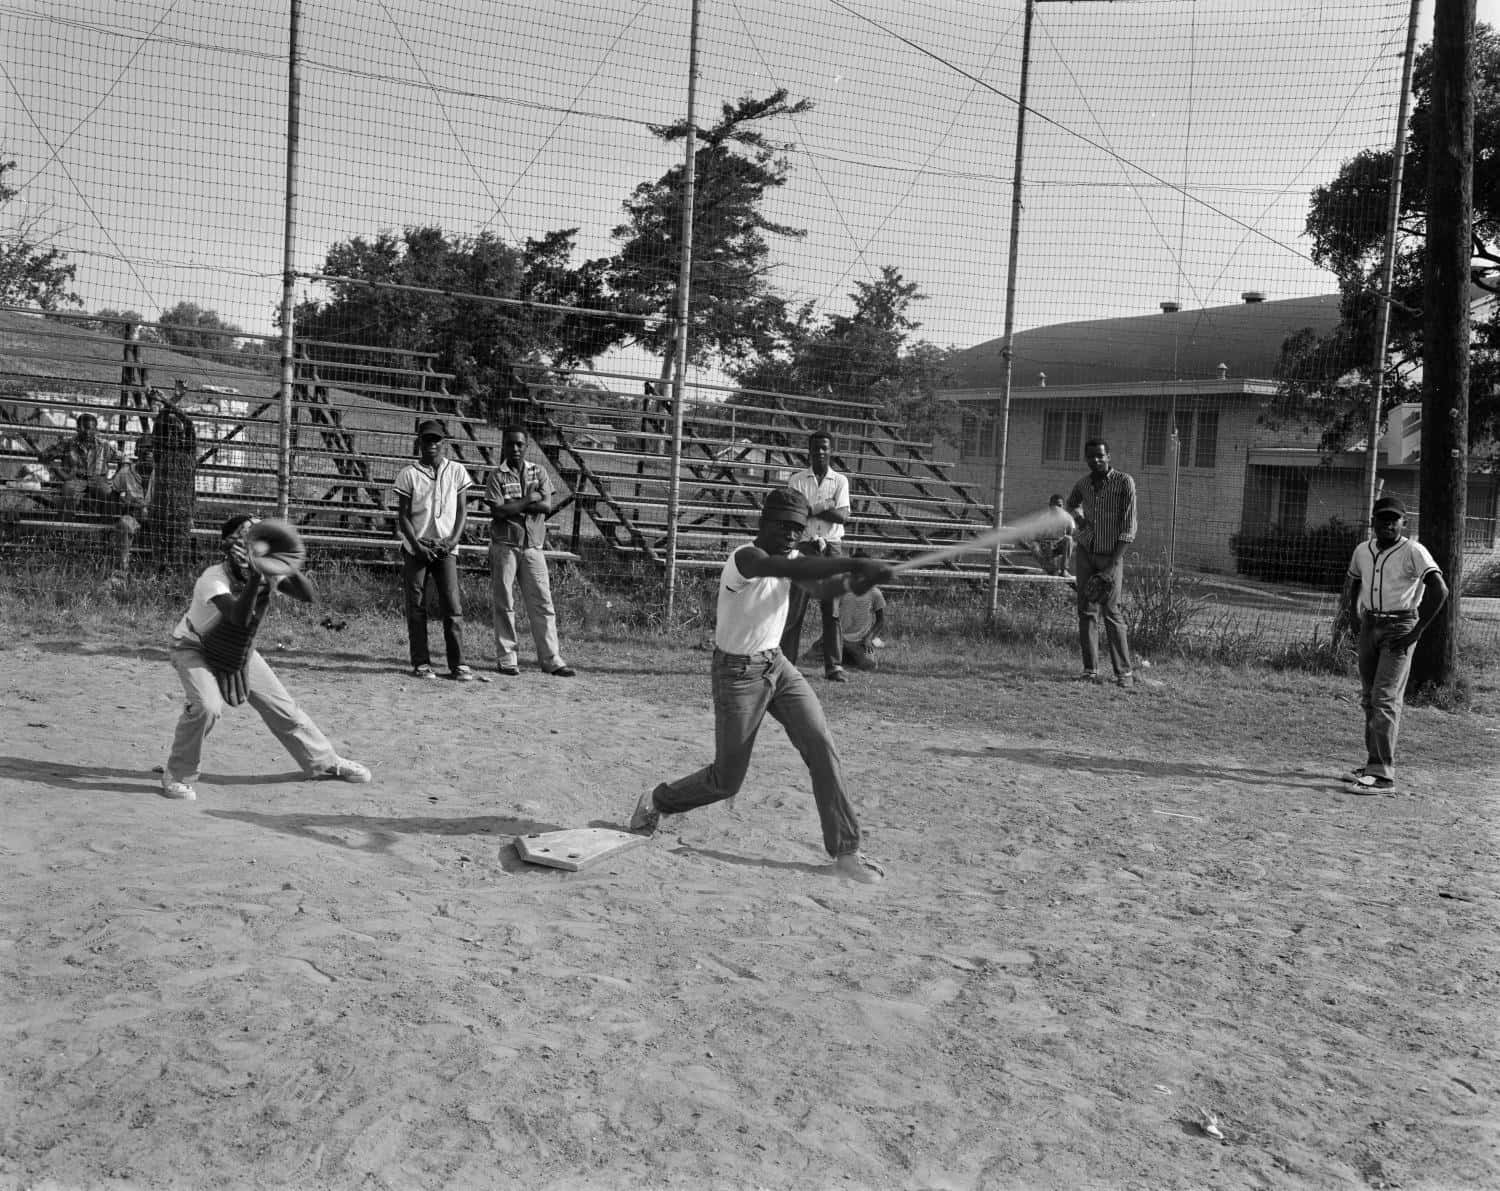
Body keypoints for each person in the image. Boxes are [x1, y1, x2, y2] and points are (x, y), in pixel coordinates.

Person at [630, 487, 894, 884]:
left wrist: (859, 581)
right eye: (783, 526)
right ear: (763, 524)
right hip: (737, 674)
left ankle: (845, 852)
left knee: (821, 744)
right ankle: (656, 799)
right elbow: (791, 570)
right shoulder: (744, 559)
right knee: (726, 780)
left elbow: (822, 588)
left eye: (796, 528)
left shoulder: (790, 558)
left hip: (778, 665)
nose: (790, 535)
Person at [160, 514, 371, 801]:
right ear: (228, 545)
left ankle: (324, 762)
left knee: (283, 708)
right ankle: (177, 773)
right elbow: (237, 616)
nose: (253, 540)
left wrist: (287, 565)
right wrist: (258, 575)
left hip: (237, 650)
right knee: (206, 706)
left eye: (257, 534)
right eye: (244, 535)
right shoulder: (213, 578)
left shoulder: (264, 568)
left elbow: (308, 596)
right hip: (193, 647)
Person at [1339, 496, 1449, 795]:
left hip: (1400, 626)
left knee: (1385, 697)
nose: (1388, 524)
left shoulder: (1413, 550)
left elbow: (1440, 588)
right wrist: (1352, 617)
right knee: (1368, 697)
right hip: (1370, 624)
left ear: (1404, 523)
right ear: (1372, 521)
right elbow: (1353, 583)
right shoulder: (1363, 550)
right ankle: (1372, 764)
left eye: (1394, 519)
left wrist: (1417, 631)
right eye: (1382, 518)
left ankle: (1383, 775)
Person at [484, 425, 575, 677]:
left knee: (543, 603)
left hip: (533, 546)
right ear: (503, 445)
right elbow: (498, 511)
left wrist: (516, 505)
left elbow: (546, 505)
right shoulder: (496, 476)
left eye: (519, 444)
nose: (515, 448)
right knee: (504, 603)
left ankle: (551, 658)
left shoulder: (539, 471)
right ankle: (507, 657)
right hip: (505, 545)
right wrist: (527, 500)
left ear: (526, 446)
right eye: (510, 443)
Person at [394, 418, 475, 681]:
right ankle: (421, 663)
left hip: (446, 547)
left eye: (436, 440)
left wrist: (453, 541)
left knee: (452, 604)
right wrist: (416, 547)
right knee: (417, 606)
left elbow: (463, 511)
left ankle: (458, 664)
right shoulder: (409, 473)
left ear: (444, 443)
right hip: (416, 547)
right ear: (419, 442)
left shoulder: (457, 471)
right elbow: (403, 516)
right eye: (426, 440)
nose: (431, 444)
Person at [781, 429, 854, 681]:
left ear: (831, 451)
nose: (820, 452)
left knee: (831, 609)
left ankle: (834, 666)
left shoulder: (840, 481)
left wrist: (813, 508)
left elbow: (843, 516)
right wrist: (827, 506)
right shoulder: (797, 480)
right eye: (816, 448)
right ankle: (787, 664)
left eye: (825, 447)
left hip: (832, 548)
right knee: (795, 608)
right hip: (805, 547)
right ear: (809, 451)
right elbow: (795, 515)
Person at [1066, 438, 1137, 687]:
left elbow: (1128, 529)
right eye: (1090, 456)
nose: (1095, 460)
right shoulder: (1083, 484)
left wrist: (1111, 567)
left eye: (1100, 455)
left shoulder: (1123, 482)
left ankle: (1124, 674)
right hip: (1086, 552)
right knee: (1086, 609)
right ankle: (1090, 670)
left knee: (1111, 611)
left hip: (1111, 556)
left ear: (1109, 456)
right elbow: (1071, 503)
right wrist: (1080, 520)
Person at [811, 547, 888, 671]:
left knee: (870, 665)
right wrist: (829, 635)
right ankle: (842, 654)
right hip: (838, 637)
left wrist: (869, 638)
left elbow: (881, 620)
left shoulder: (875, 593)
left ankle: (847, 655)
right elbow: (831, 615)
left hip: (859, 641)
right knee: (810, 657)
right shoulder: (842, 588)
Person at [37, 411, 119, 516]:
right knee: (68, 490)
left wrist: (115, 478)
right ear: (77, 428)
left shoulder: (103, 445)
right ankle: (65, 526)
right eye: (83, 428)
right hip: (75, 479)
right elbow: (44, 455)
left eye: (90, 428)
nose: (87, 432)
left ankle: (106, 526)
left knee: (108, 493)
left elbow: (122, 458)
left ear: (96, 430)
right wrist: (52, 464)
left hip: (98, 479)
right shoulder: (67, 443)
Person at [1026, 493, 1075, 577]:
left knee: (1069, 539)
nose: (1056, 508)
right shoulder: (1043, 518)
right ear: (1050, 506)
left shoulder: (1068, 518)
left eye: (1059, 505)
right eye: (1054, 505)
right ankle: (1050, 568)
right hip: (1045, 548)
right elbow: (1035, 537)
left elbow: (1070, 534)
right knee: (1033, 545)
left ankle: (1064, 570)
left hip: (1057, 547)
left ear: (1062, 507)